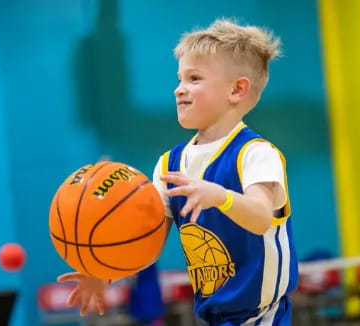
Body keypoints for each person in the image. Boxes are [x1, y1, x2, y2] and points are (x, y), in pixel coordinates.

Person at [58, 18, 298, 325]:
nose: (178, 90)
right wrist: (106, 270)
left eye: (194, 79)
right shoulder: (168, 165)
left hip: (264, 318)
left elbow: (261, 215)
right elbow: (148, 244)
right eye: (179, 79)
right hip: (213, 317)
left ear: (237, 90)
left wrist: (220, 197)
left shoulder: (256, 153)